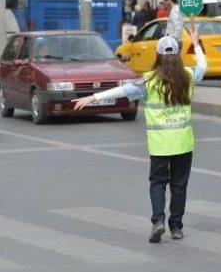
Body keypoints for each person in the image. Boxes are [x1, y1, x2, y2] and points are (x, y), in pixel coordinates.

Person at [73, 30, 207, 243]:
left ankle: (158, 221)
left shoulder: (149, 81)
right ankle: (177, 227)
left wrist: (93, 97)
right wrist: (196, 43)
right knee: (179, 185)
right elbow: (203, 67)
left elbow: (123, 91)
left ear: (158, 54)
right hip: (183, 142)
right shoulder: (188, 76)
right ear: (178, 54)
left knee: (158, 183)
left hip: (160, 145)